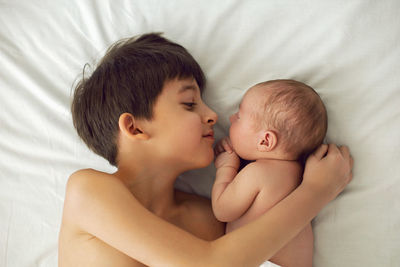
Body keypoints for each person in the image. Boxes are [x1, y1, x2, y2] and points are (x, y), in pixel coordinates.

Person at [58, 33, 353, 267]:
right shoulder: (89, 191)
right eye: (189, 104)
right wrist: (316, 191)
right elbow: (211, 264)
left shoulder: (210, 219)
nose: (213, 114)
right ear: (134, 128)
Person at [212, 79, 328, 266]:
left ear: (265, 141)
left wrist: (226, 168)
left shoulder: (258, 173)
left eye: (239, 116)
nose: (232, 118)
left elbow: (223, 210)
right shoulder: (301, 173)